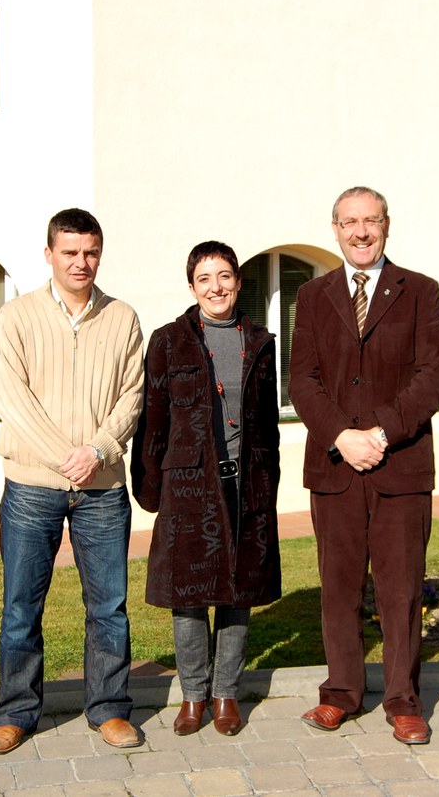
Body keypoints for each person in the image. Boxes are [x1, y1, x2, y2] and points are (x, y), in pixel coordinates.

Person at [288, 186, 439, 745]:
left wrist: (378, 434)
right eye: (350, 222)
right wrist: (341, 436)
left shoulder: (421, 291)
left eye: (370, 221)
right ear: (335, 229)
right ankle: (341, 694)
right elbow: (302, 380)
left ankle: (403, 701)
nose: (361, 232)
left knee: (401, 591)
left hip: (400, 466)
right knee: (339, 587)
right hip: (335, 468)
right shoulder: (313, 295)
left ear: (386, 226)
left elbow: (433, 378)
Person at [0, 208, 145, 755]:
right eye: (70, 252)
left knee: (109, 607)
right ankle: (15, 714)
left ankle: (109, 709)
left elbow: (133, 395)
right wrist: (64, 458)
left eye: (91, 252)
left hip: (103, 489)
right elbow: (11, 397)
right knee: (21, 607)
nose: (81, 262)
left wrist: (97, 451)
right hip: (32, 486)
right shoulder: (16, 316)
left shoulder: (122, 317)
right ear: (49, 254)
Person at [131, 241, 281, 737]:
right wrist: (150, 487)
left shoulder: (261, 341)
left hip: (246, 484)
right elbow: (153, 418)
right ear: (192, 287)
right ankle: (194, 695)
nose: (215, 287)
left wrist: (270, 483)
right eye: (204, 279)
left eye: (224, 277)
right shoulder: (168, 341)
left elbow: (268, 424)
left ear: (238, 281)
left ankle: (225, 694)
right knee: (189, 594)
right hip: (188, 485)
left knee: (238, 593)